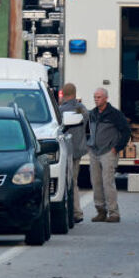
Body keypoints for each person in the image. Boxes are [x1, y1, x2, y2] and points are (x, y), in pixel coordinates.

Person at [87, 87, 130, 223]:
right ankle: (100, 211)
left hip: (108, 152)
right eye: (95, 97)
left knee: (108, 183)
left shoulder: (115, 114)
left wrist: (117, 148)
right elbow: (87, 130)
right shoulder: (92, 114)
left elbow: (126, 131)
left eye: (98, 97)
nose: (96, 99)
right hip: (94, 152)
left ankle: (114, 212)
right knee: (96, 182)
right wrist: (88, 144)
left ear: (106, 98)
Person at [59, 83, 90, 223]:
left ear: (63, 94)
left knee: (68, 182)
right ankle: (76, 212)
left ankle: (74, 211)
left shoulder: (61, 110)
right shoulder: (82, 109)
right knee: (74, 181)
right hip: (78, 150)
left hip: (65, 150)